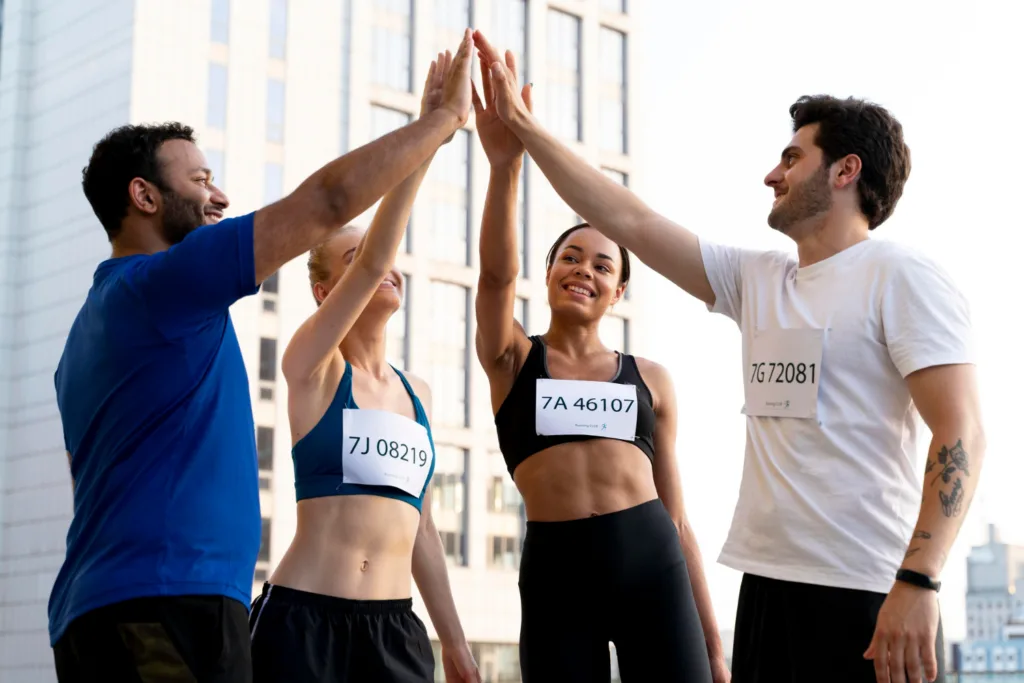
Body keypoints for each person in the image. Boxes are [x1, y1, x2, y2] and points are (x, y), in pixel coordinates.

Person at [473, 29, 985, 683]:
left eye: (792, 158)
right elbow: (630, 221)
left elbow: (962, 430)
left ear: (846, 170)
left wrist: (921, 577)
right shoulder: (758, 279)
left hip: (866, 588)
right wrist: (521, 134)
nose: (772, 173)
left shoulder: (903, 275)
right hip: (766, 586)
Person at [49, 29, 476, 682]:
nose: (219, 198)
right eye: (200, 181)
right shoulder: (167, 281)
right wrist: (440, 124)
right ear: (144, 196)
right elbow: (327, 202)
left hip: (110, 605)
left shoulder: (89, 333)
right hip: (166, 603)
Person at [470, 45, 727, 683]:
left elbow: (677, 515)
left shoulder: (653, 380)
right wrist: (506, 167)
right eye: (570, 257)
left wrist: (715, 643)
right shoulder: (512, 357)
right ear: (550, 273)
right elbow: (497, 276)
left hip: (652, 562)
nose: (584, 269)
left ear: (618, 292)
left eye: (602, 265)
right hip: (558, 572)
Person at [248, 49, 479, 683]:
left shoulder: (419, 393)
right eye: (353, 259)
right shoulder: (311, 366)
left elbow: (422, 528)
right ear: (326, 293)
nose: (381, 263)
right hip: (302, 625)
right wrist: (432, 130)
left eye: (376, 256)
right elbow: (379, 257)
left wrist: (454, 642)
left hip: (395, 632)